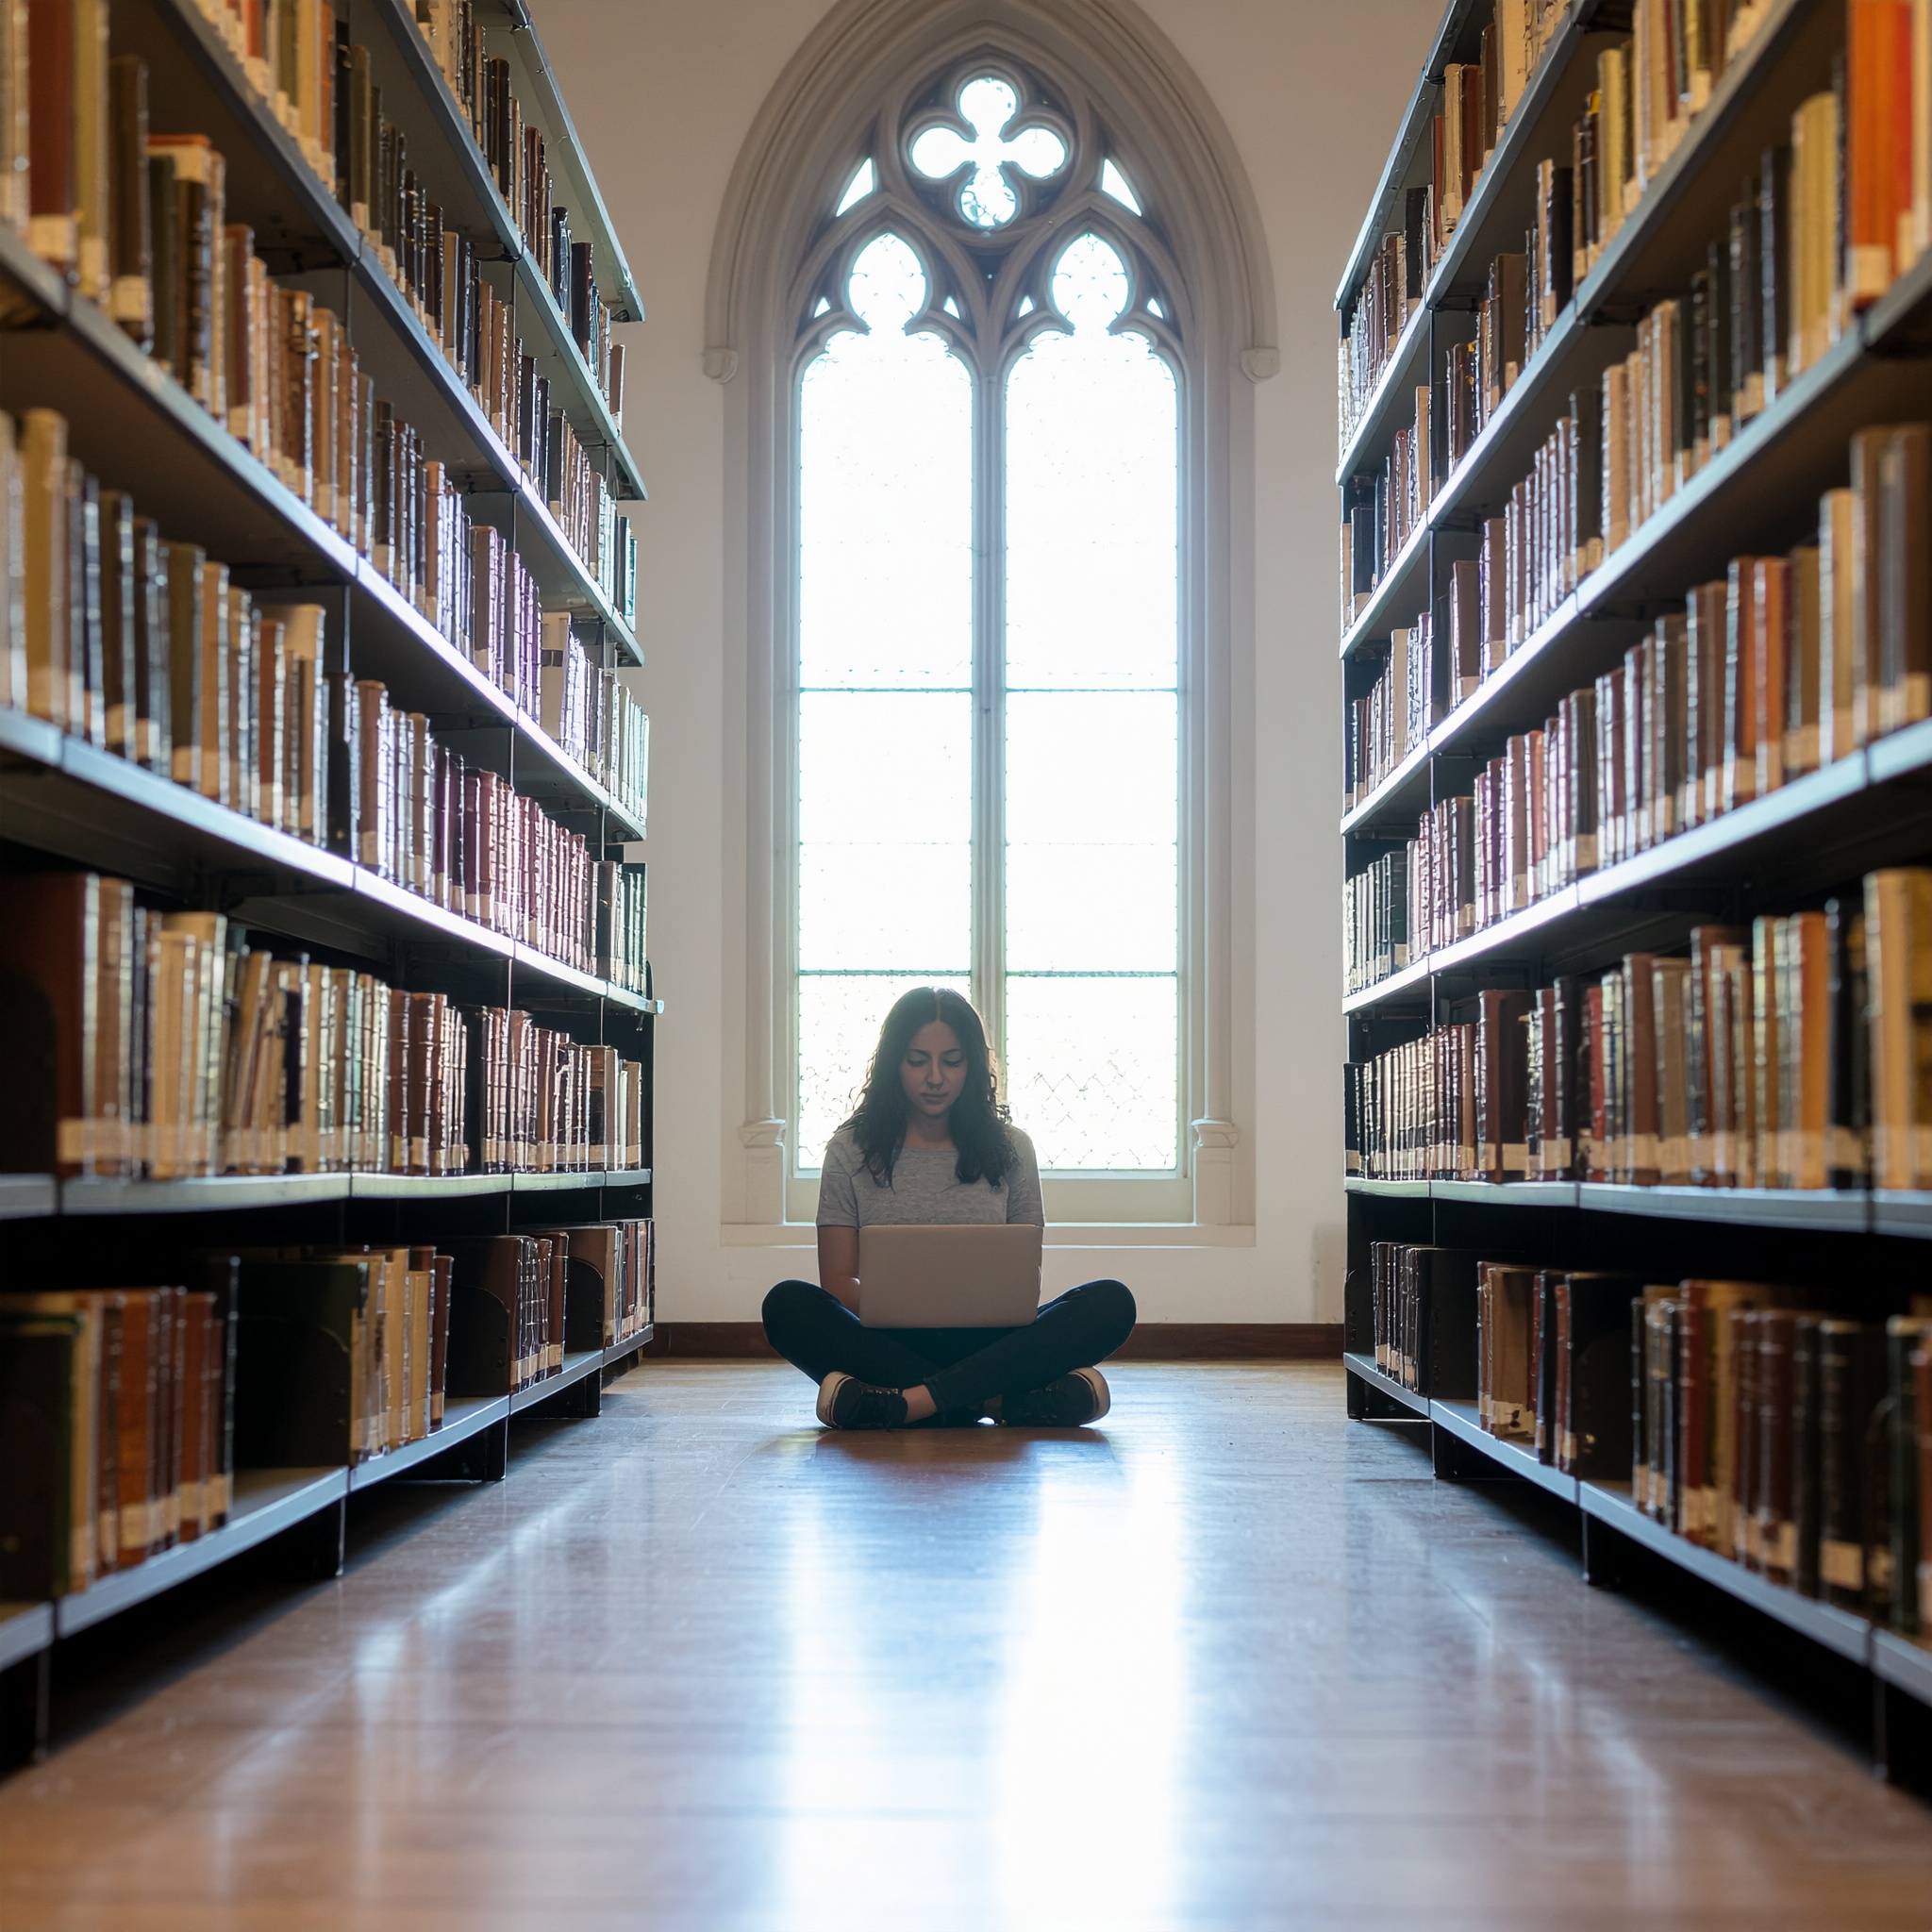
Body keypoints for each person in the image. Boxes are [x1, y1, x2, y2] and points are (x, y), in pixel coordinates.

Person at [762, 987, 1137, 1430]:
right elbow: (839, 1286)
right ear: (893, 1064)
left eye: (952, 1061)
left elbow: (1021, 1290)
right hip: (889, 1341)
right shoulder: (849, 1150)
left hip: (989, 1341)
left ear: (974, 1065)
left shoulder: (1013, 1148)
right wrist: (908, 1308)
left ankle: (907, 1404)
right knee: (786, 1305)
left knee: (1112, 1302)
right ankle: (1001, 1402)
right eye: (918, 1060)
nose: (935, 1077)